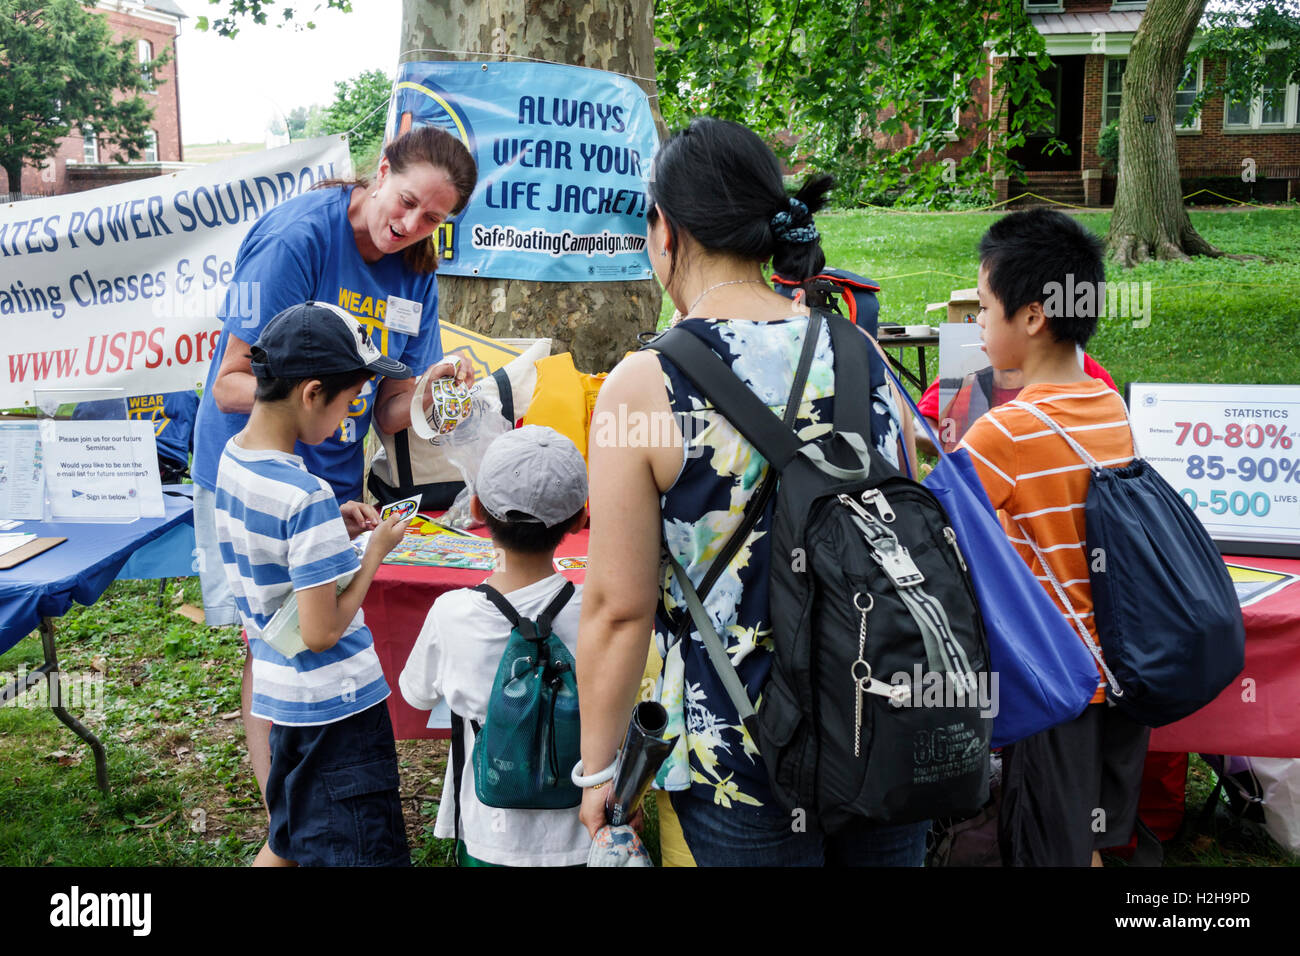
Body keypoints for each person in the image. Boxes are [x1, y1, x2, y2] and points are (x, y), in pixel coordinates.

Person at [575, 116, 925, 866]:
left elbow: (616, 607)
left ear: (665, 229)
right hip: (888, 731)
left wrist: (601, 768)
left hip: (741, 757)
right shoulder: (862, 355)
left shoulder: (645, 383)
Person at [191, 124, 477, 802]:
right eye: (406, 202)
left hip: (331, 486)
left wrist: (440, 398)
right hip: (256, 472)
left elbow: (389, 409)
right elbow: (230, 382)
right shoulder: (298, 239)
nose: (410, 226)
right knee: (271, 644)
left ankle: (311, 795)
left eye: (434, 218)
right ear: (380, 172)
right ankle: (281, 813)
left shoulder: (416, 271)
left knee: (313, 637)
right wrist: (308, 401)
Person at [957, 207, 1147, 867]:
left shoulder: (1002, 434)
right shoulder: (1110, 404)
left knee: (1046, 851)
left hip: (1055, 687)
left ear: (1032, 316)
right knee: (1086, 843)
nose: (976, 324)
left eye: (983, 307)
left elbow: (934, 533)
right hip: (1123, 673)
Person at [213, 302, 414, 867]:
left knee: (290, 837)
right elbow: (322, 631)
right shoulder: (307, 497)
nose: (350, 416)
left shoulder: (235, 461)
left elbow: (273, 557)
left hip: (284, 701)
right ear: (312, 393)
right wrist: (373, 554)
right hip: (337, 712)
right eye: (351, 402)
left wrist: (334, 535)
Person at [399, 425, 590, 866]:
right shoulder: (597, 611)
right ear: (581, 520)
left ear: (477, 509)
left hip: (489, 829)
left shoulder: (451, 613)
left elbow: (419, 693)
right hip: (583, 825)